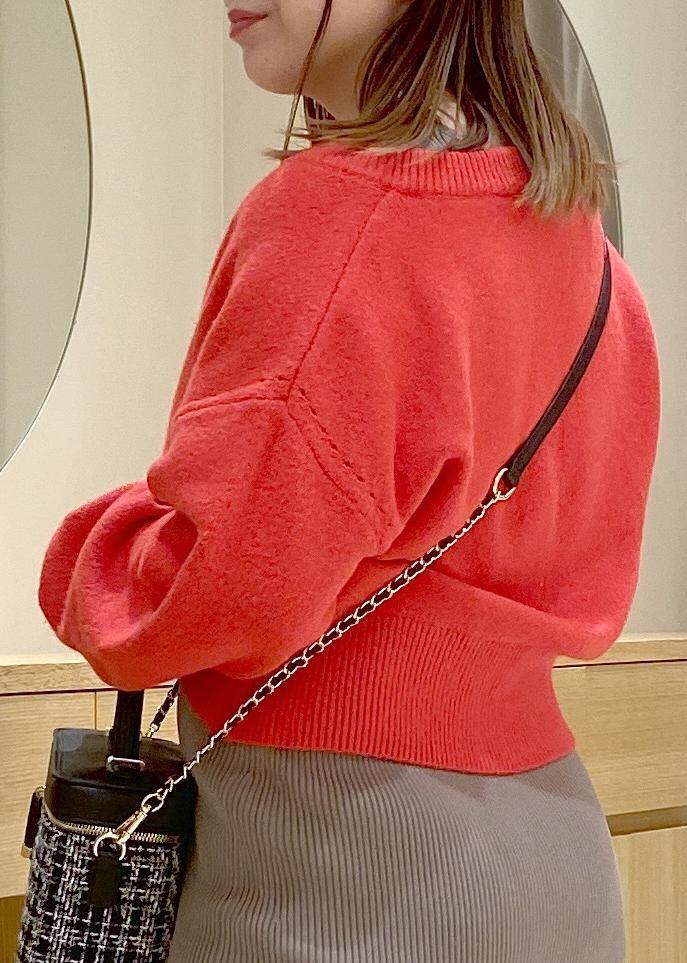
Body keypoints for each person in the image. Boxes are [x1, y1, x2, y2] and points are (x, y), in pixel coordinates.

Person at [37, 0, 661, 960]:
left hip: (347, 857)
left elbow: (218, 585)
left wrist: (98, 551)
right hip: (555, 851)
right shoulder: (583, 248)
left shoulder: (334, 214)